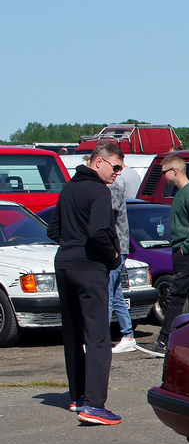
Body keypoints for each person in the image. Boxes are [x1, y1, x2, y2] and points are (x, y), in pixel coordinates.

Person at [46, 144, 124, 425]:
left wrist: (72, 245)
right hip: (89, 268)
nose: (118, 173)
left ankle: (77, 396)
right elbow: (98, 231)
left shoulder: (68, 188)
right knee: (99, 337)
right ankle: (94, 405)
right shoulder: (99, 191)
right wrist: (113, 255)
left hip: (64, 265)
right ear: (99, 162)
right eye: (115, 167)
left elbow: (52, 229)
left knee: (73, 333)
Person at [150, 153, 189, 355]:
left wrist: (186, 247)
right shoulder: (181, 193)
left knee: (176, 296)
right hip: (185, 251)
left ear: (175, 171)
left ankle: (164, 341)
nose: (163, 177)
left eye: (164, 172)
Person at [108, 171, 137, 354]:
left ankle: (100, 338)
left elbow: (110, 220)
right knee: (116, 293)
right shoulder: (112, 188)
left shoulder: (114, 189)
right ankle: (128, 335)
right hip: (117, 247)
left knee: (107, 293)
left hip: (116, 248)